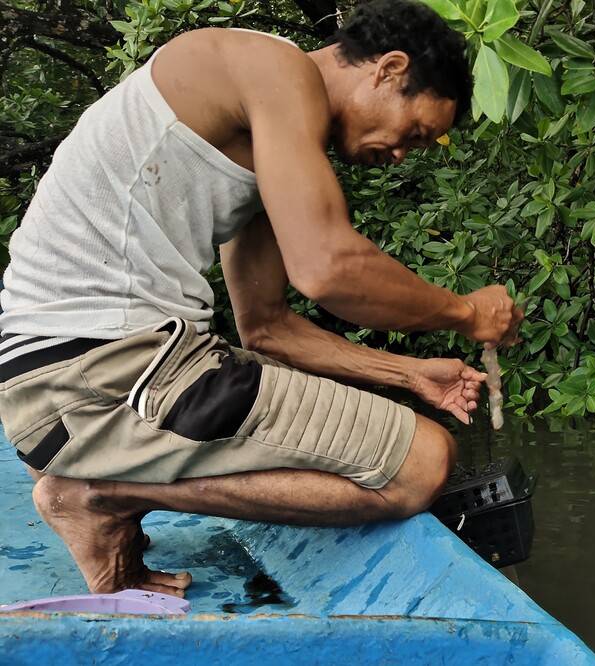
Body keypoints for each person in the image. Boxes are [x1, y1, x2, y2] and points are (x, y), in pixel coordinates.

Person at [0, 0, 522, 598]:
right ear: (389, 69)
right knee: (423, 462)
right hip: (97, 368)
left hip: (60, 379)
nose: (403, 152)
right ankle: (99, 493)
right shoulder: (276, 69)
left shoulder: (268, 130)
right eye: (415, 131)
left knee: (394, 435)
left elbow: (270, 330)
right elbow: (327, 268)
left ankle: (106, 487)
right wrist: (467, 312)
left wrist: (406, 374)